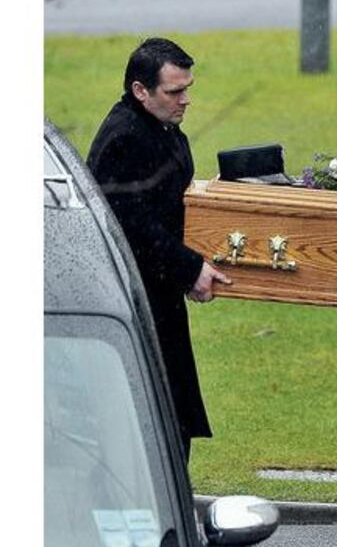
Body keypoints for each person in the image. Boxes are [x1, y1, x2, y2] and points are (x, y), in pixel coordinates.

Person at [86, 37, 231, 461]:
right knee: (150, 418)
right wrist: (190, 268)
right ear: (140, 90)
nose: (185, 100)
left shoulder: (157, 124)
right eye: (174, 92)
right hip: (137, 301)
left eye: (187, 89)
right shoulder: (126, 138)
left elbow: (166, 205)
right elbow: (130, 224)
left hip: (157, 292)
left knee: (167, 417)